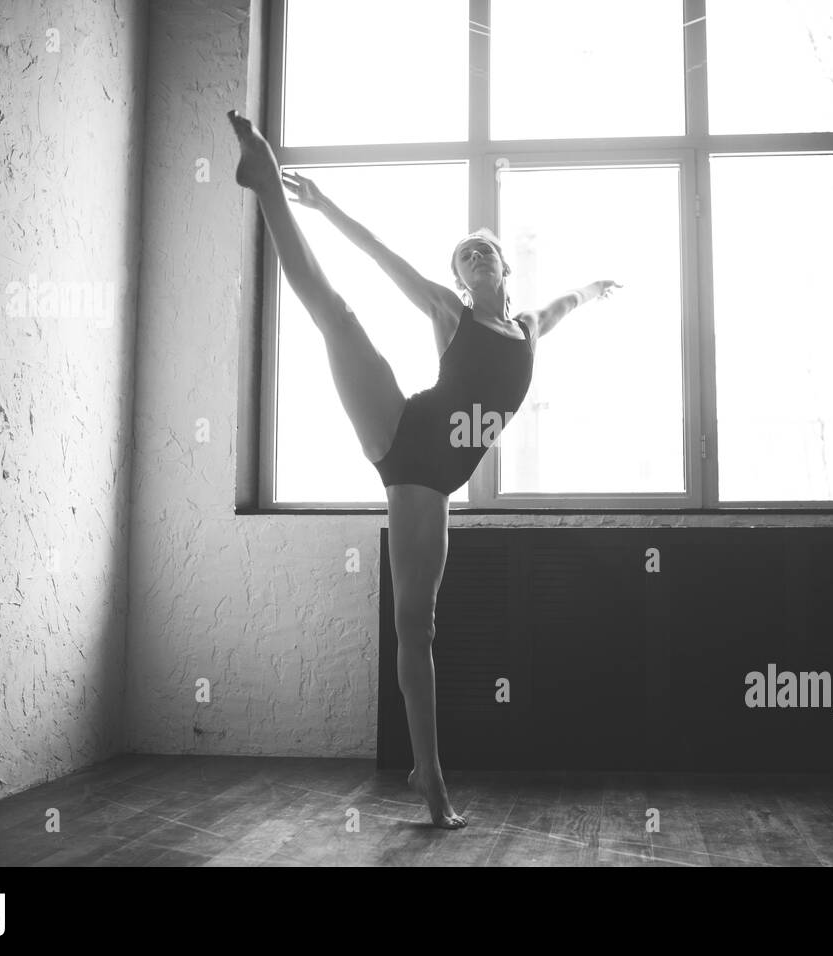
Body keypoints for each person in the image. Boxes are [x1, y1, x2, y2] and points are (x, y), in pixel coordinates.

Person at [227, 110, 621, 827]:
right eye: (463, 259)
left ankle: (424, 771)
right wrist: (325, 204)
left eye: (481, 255)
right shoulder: (451, 313)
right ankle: (267, 187)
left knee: (419, 626)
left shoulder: (528, 328)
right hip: (406, 435)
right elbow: (384, 257)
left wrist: (593, 292)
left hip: (436, 481)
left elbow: (561, 306)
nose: (471, 263)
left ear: (503, 267)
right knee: (339, 316)